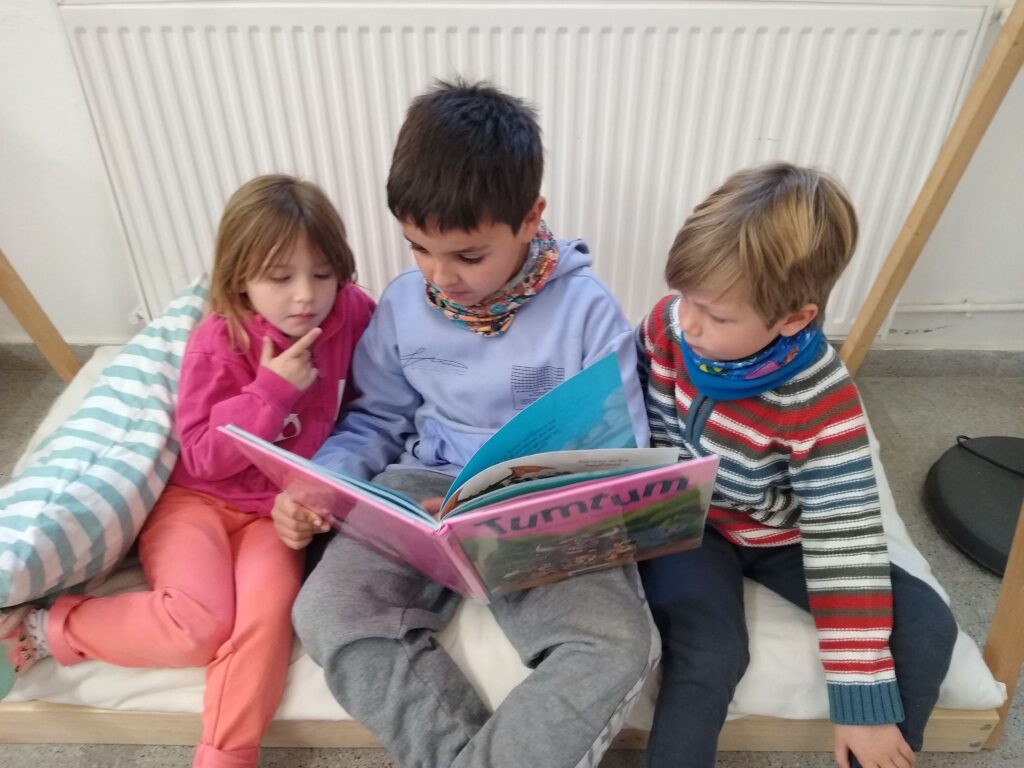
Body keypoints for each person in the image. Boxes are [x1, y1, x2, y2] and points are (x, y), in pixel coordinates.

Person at [272, 79, 659, 768]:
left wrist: (507, 507)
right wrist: (322, 484)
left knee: (613, 643)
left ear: (531, 218)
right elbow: (375, 418)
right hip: (421, 486)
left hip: (539, 504)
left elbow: (615, 452)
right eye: (418, 248)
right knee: (327, 611)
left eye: (468, 256)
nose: (439, 275)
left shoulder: (588, 311)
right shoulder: (404, 304)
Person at [0, 174, 375, 768]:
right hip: (196, 502)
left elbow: (376, 392)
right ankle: (46, 629)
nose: (306, 295)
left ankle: (225, 757)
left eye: (323, 274)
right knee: (197, 626)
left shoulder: (352, 313)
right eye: (280, 278)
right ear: (241, 279)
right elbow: (201, 455)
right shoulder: (218, 340)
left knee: (265, 624)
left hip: (273, 516)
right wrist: (272, 392)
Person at [635, 162, 958, 768]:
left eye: (717, 315)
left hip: (779, 533)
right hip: (689, 523)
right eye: (685, 298)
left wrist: (862, 700)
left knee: (929, 624)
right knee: (709, 652)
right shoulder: (667, 326)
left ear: (794, 319)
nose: (689, 322)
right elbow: (623, 405)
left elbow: (844, 535)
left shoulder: (821, 401)